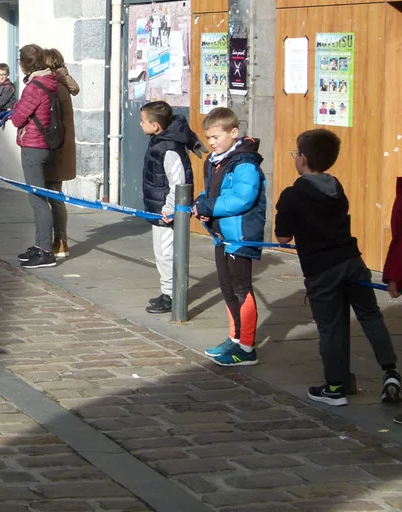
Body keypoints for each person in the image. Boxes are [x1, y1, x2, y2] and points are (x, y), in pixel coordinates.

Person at [274, 129, 400, 406]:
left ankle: (335, 387)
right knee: (370, 316)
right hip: (352, 261)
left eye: (296, 153)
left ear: (303, 159)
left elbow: (283, 237)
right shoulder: (336, 187)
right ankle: (390, 372)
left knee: (330, 327)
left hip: (321, 269)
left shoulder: (292, 195)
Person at [192, 106, 267, 367]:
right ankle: (235, 338)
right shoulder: (215, 161)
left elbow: (242, 199)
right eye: (208, 138)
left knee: (241, 288)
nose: (211, 142)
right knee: (227, 287)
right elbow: (212, 192)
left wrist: (209, 206)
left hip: (241, 236)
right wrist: (200, 203)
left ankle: (246, 347)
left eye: (216, 136)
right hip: (222, 235)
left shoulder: (245, 164)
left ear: (234, 133)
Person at [140, 100, 204, 314]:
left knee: (166, 253)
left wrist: (169, 208)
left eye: (143, 121)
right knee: (161, 253)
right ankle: (167, 290)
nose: (140, 124)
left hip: (167, 212)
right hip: (158, 208)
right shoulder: (159, 142)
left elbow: (178, 182)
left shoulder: (169, 149)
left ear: (155, 126)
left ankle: (171, 295)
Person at [9, 44, 60, 270]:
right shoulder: (48, 81)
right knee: (39, 198)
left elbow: (17, 119)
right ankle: (40, 245)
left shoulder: (34, 87)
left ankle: (45, 251)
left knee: (38, 200)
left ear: (24, 64)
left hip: (34, 145)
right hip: (42, 144)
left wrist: (16, 107)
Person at [44, 50, 80, 259]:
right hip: (61, 148)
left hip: (55, 149)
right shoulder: (63, 83)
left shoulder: (55, 87)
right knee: (54, 196)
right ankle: (59, 240)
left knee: (54, 197)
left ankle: (59, 240)